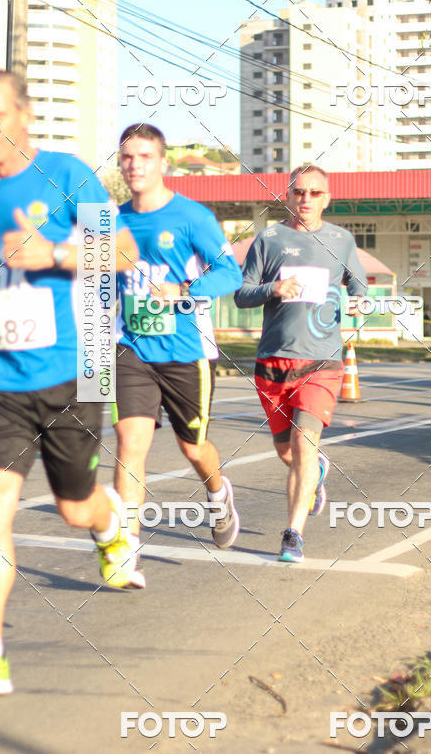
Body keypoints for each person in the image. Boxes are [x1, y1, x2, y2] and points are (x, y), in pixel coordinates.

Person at [0, 70, 140, 695]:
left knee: (74, 507)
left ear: (26, 115)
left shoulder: (68, 176)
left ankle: (108, 524)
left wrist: (56, 255)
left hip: (71, 373)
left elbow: (123, 253)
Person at [113, 124, 243, 587]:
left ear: (163, 162)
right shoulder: (110, 221)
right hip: (131, 346)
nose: (135, 165)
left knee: (193, 447)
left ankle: (218, 494)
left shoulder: (192, 217)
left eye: (145, 156)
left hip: (186, 351)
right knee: (130, 444)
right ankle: (125, 551)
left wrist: (184, 289)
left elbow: (231, 273)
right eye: (127, 157)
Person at [234, 164, 367, 563]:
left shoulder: (341, 240)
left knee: (303, 443)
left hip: (321, 362)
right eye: (298, 192)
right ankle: (317, 473)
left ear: (327, 199)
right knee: (287, 453)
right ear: (287, 196)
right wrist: (273, 288)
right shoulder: (269, 238)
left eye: (314, 192)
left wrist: (359, 299)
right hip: (272, 361)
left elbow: (358, 282)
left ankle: (293, 535)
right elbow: (241, 293)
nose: (306, 198)